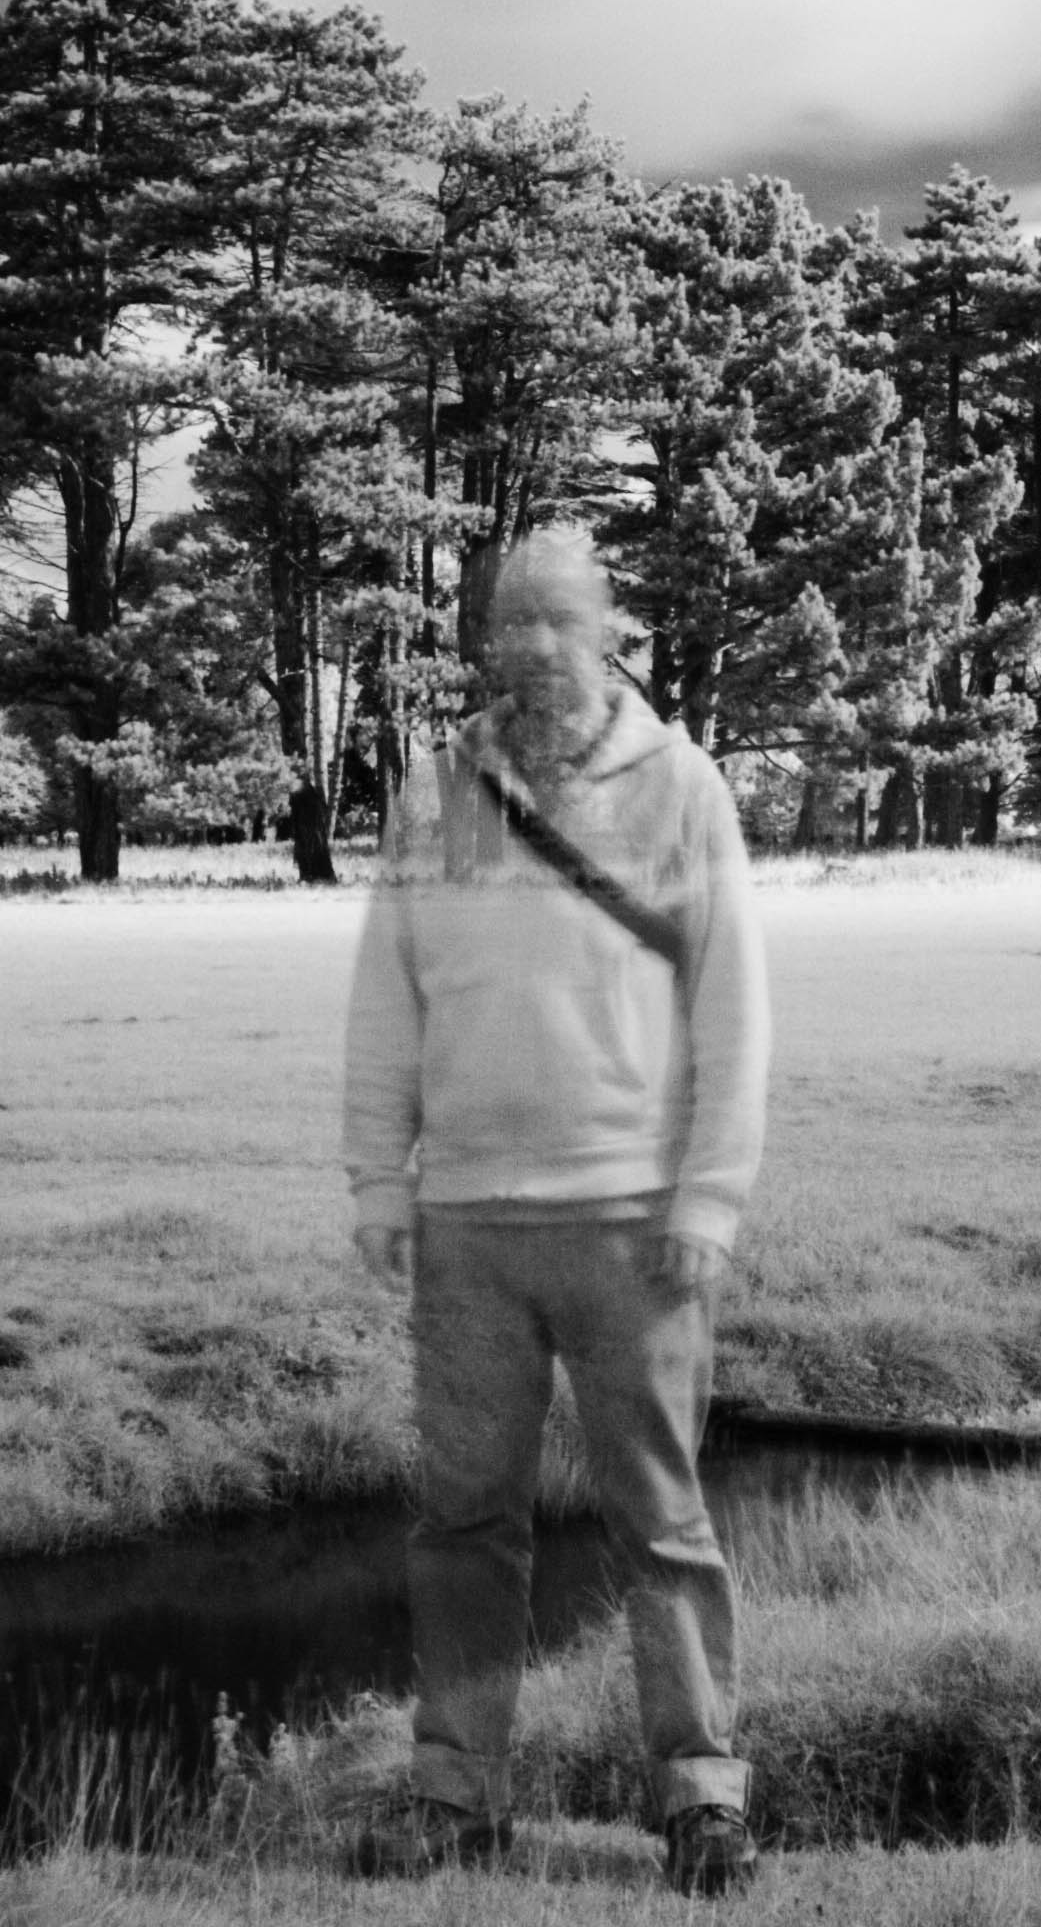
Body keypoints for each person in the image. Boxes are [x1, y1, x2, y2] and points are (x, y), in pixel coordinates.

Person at [340, 527, 771, 1897]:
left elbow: (734, 1006)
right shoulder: (437, 792)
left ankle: (701, 1800)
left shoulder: (681, 786)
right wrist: (379, 1177)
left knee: (661, 1524)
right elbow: (387, 994)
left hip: (634, 1224)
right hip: (467, 1227)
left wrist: (710, 1196)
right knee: (464, 1527)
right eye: (508, 622)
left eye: (557, 622)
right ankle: (456, 1797)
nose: (530, 648)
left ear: (607, 638)